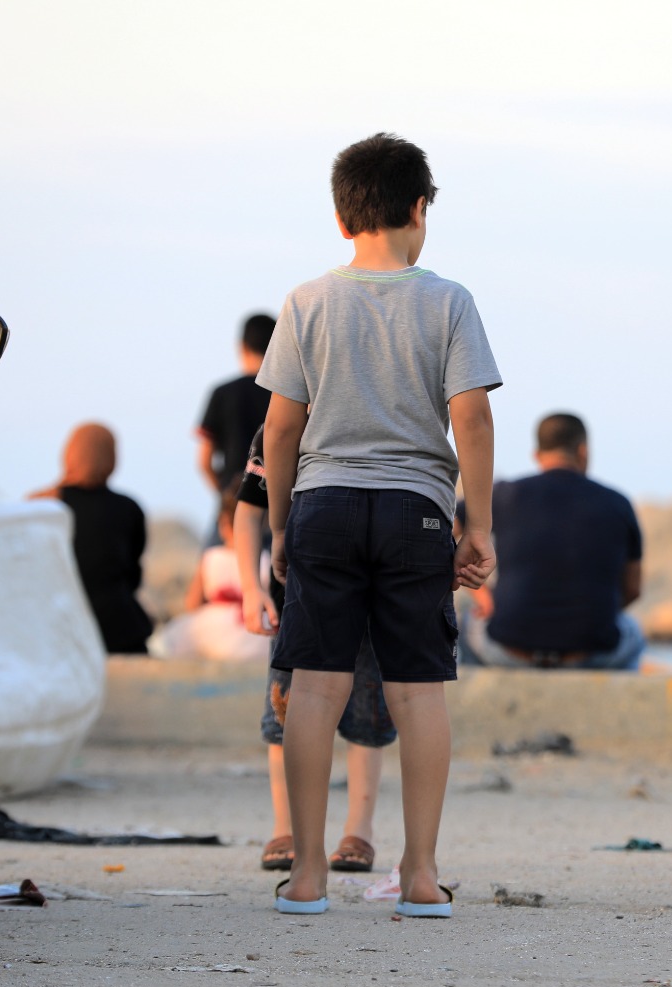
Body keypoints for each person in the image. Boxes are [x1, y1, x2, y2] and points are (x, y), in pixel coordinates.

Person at [257, 133, 501, 917]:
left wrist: (279, 524)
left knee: (315, 688)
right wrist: (480, 525)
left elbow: (281, 428)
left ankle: (306, 877)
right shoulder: (449, 301)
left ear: (341, 217)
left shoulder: (305, 301)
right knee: (418, 695)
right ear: (419, 210)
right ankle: (421, 876)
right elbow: (472, 416)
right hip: (416, 512)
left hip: (324, 504)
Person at [233, 425, 396, 874]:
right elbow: (248, 510)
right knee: (284, 711)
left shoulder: (376, 414)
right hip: (296, 593)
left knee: (369, 714)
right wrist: (249, 587)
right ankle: (285, 828)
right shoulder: (278, 426)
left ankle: (358, 830)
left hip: (373, 590)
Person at [461, 413, 645, 671]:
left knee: (466, 623)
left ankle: (476, 704)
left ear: (536, 455)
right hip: (589, 654)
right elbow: (633, 589)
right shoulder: (618, 503)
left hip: (507, 649)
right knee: (634, 631)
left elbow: (448, 528)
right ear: (583, 451)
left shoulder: (505, 494)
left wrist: (483, 597)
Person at [31, 423, 152, 653]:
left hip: (56, 626)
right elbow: (132, 575)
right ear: (112, 457)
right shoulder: (128, 508)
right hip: (119, 629)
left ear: (68, 454)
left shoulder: (43, 504)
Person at [148, 480, 270, 662]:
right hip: (256, 628)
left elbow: (192, 603)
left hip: (213, 629)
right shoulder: (265, 559)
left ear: (223, 523)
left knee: (167, 641)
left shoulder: (212, 557)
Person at [197, 313, 275, 497]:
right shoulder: (286, 395)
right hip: (276, 496)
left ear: (242, 347)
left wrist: (226, 497)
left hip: (235, 491)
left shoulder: (223, 393)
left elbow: (204, 462)